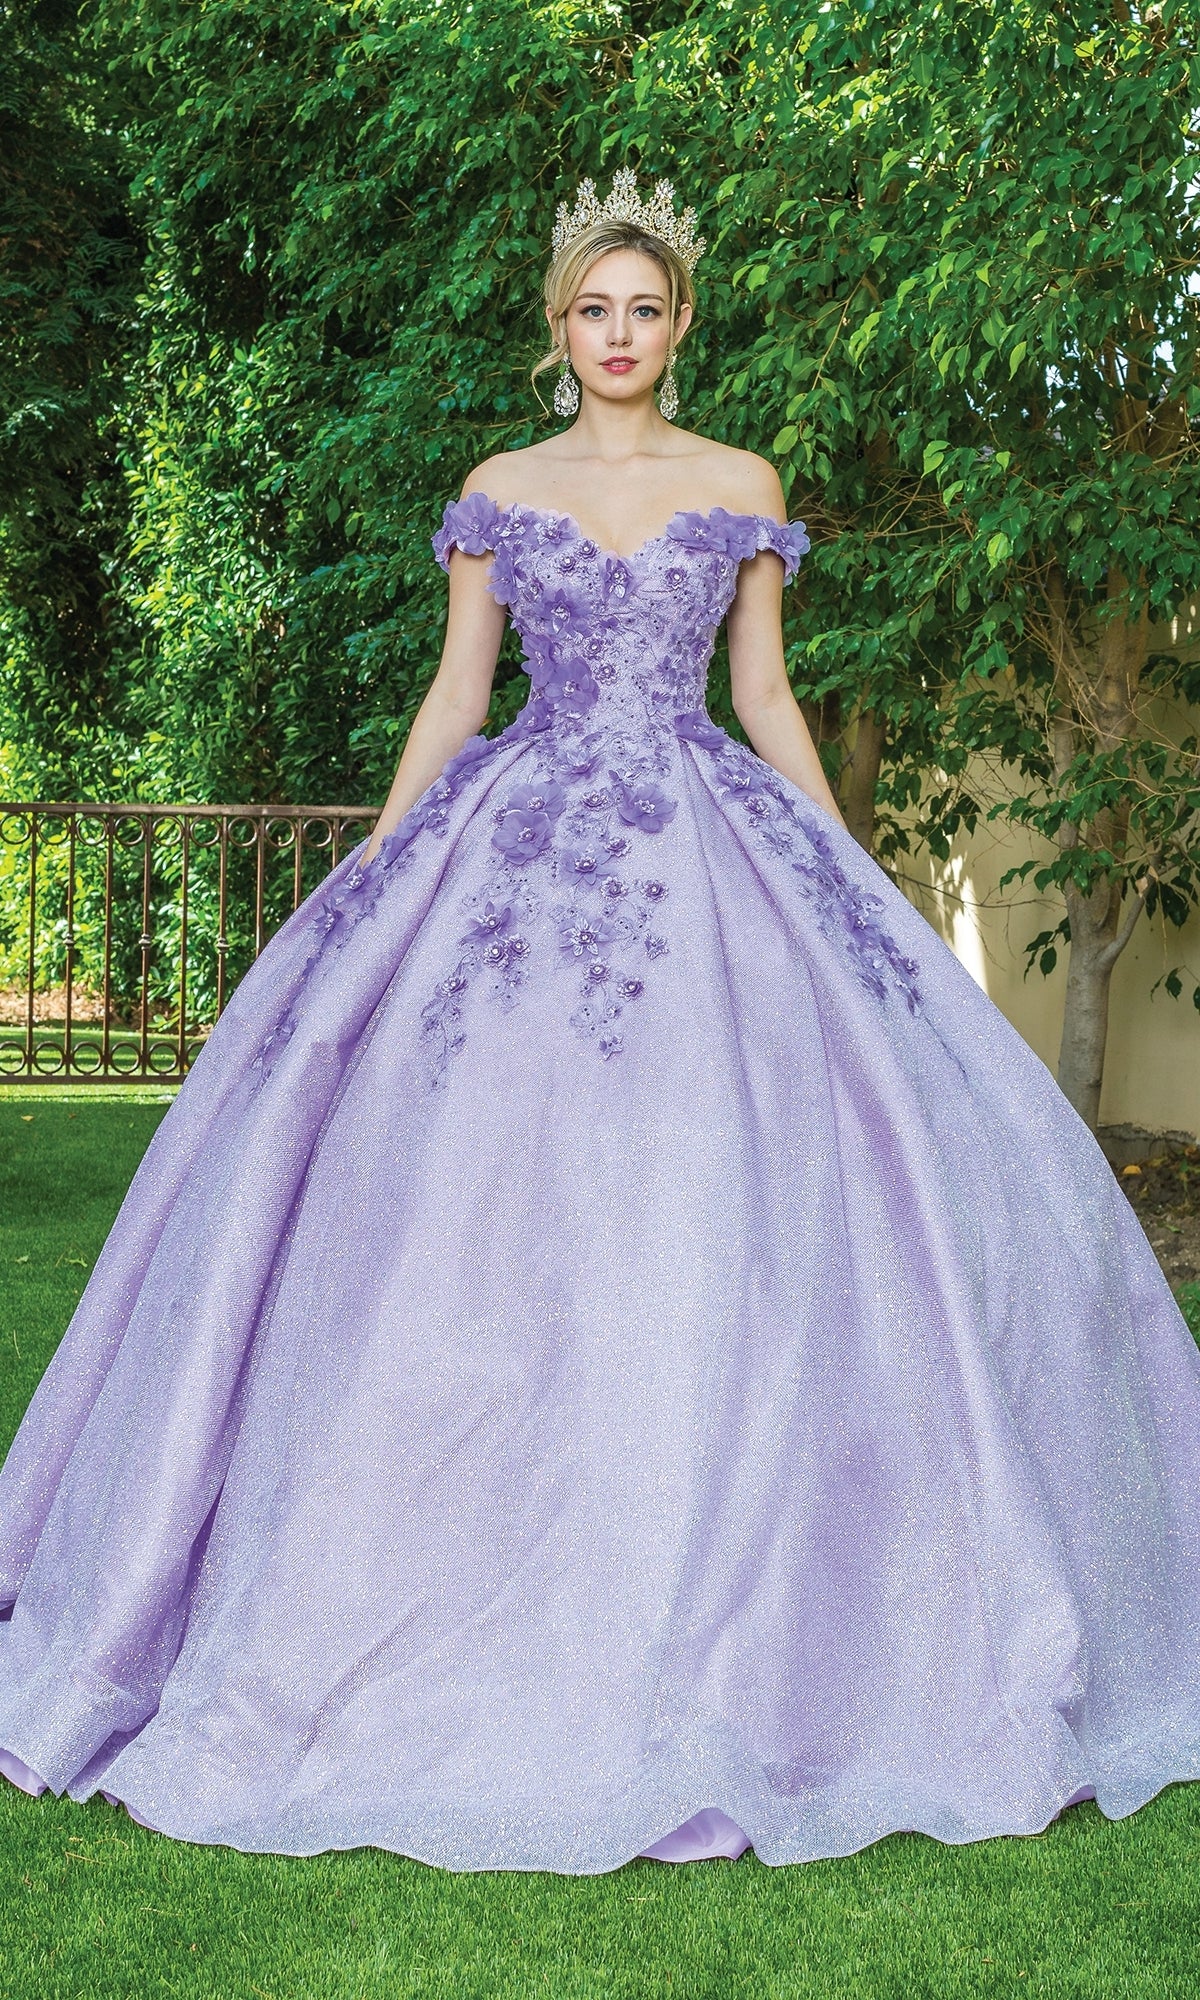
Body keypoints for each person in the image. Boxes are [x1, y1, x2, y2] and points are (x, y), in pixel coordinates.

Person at [1, 169, 1198, 1874]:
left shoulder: (739, 486)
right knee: (474, 1199)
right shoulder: (502, 487)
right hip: (522, 849)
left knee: (729, 1189)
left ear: (679, 325)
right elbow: (459, 690)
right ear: (557, 328)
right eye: (592, 311)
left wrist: (848, 879)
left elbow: (769, 696)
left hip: (713, 847)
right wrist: (385, 860)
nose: (619, 336)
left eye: (645, 310)